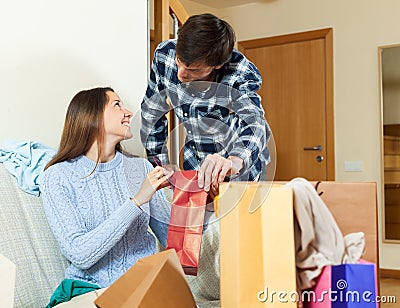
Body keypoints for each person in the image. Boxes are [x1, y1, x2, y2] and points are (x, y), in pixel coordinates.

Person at [41, 87, 173, 306]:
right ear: (91, 116)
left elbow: (174, 241)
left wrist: (198, 198)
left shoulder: (140, 167)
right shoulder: (57, 176)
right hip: (88, 292)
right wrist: (137, 201)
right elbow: (80, 254)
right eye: (117, 105)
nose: (129, 113)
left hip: (142, 289)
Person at [141, 13, 271, 195]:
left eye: (193, 70)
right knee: (196, 220)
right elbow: (152, 112)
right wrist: (162, 164)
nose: (180, 75)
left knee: (237, 221)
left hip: (239, 164)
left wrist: (234, 161)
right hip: (195, 158)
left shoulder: (239, 72)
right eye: (179, 62)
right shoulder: (165, 55)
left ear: (217, 65)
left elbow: (255, 123)